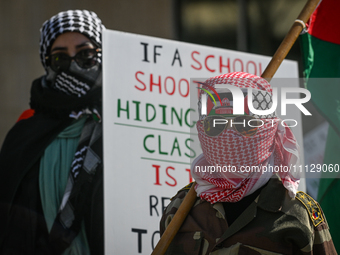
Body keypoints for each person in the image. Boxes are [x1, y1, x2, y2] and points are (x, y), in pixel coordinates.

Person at [160, 72, 337, 254]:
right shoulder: (180, 210)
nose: (228, 137)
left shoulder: (299, 215)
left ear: (268, 129)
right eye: (216, 124)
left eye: (244, 124)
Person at [0, 10, 105, 255]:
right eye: (60, 58)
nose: (74, 65)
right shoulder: (25, 132)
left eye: (86, 54)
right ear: (48, 62)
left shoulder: (125, 122)